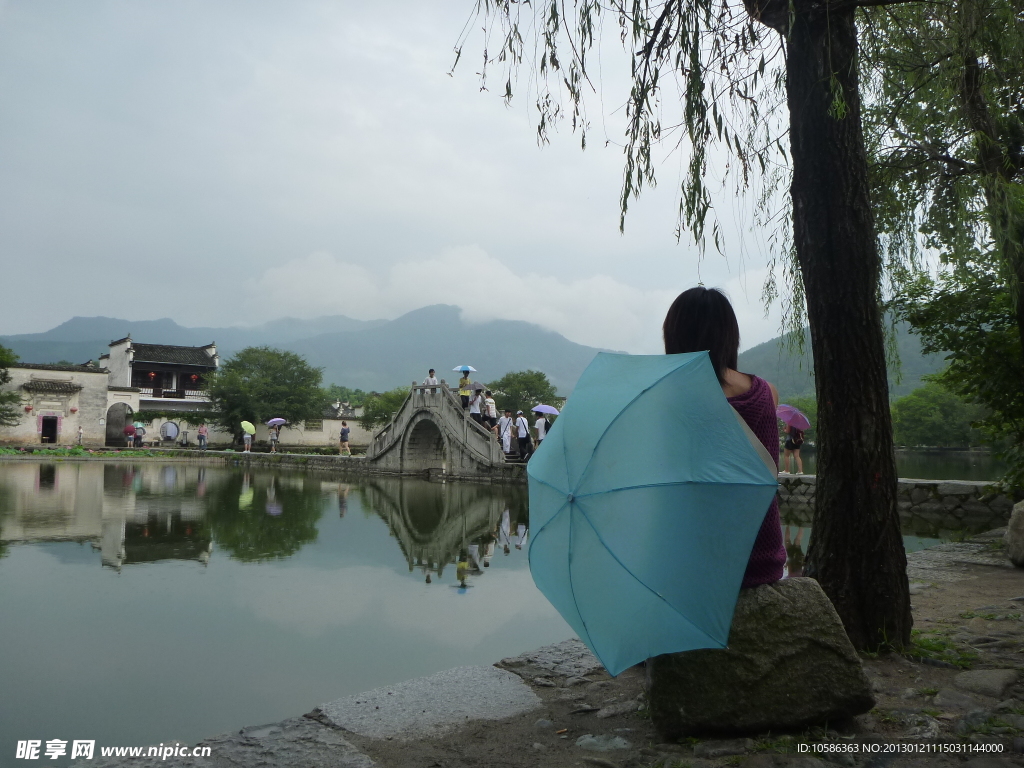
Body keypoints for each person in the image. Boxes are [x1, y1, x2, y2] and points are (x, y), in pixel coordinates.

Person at [663, 286, 786, 588]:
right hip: (762, 556)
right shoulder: (766, 392)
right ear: (729, 334)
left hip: (691, 560)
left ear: (675, 335)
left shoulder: (665, 397)